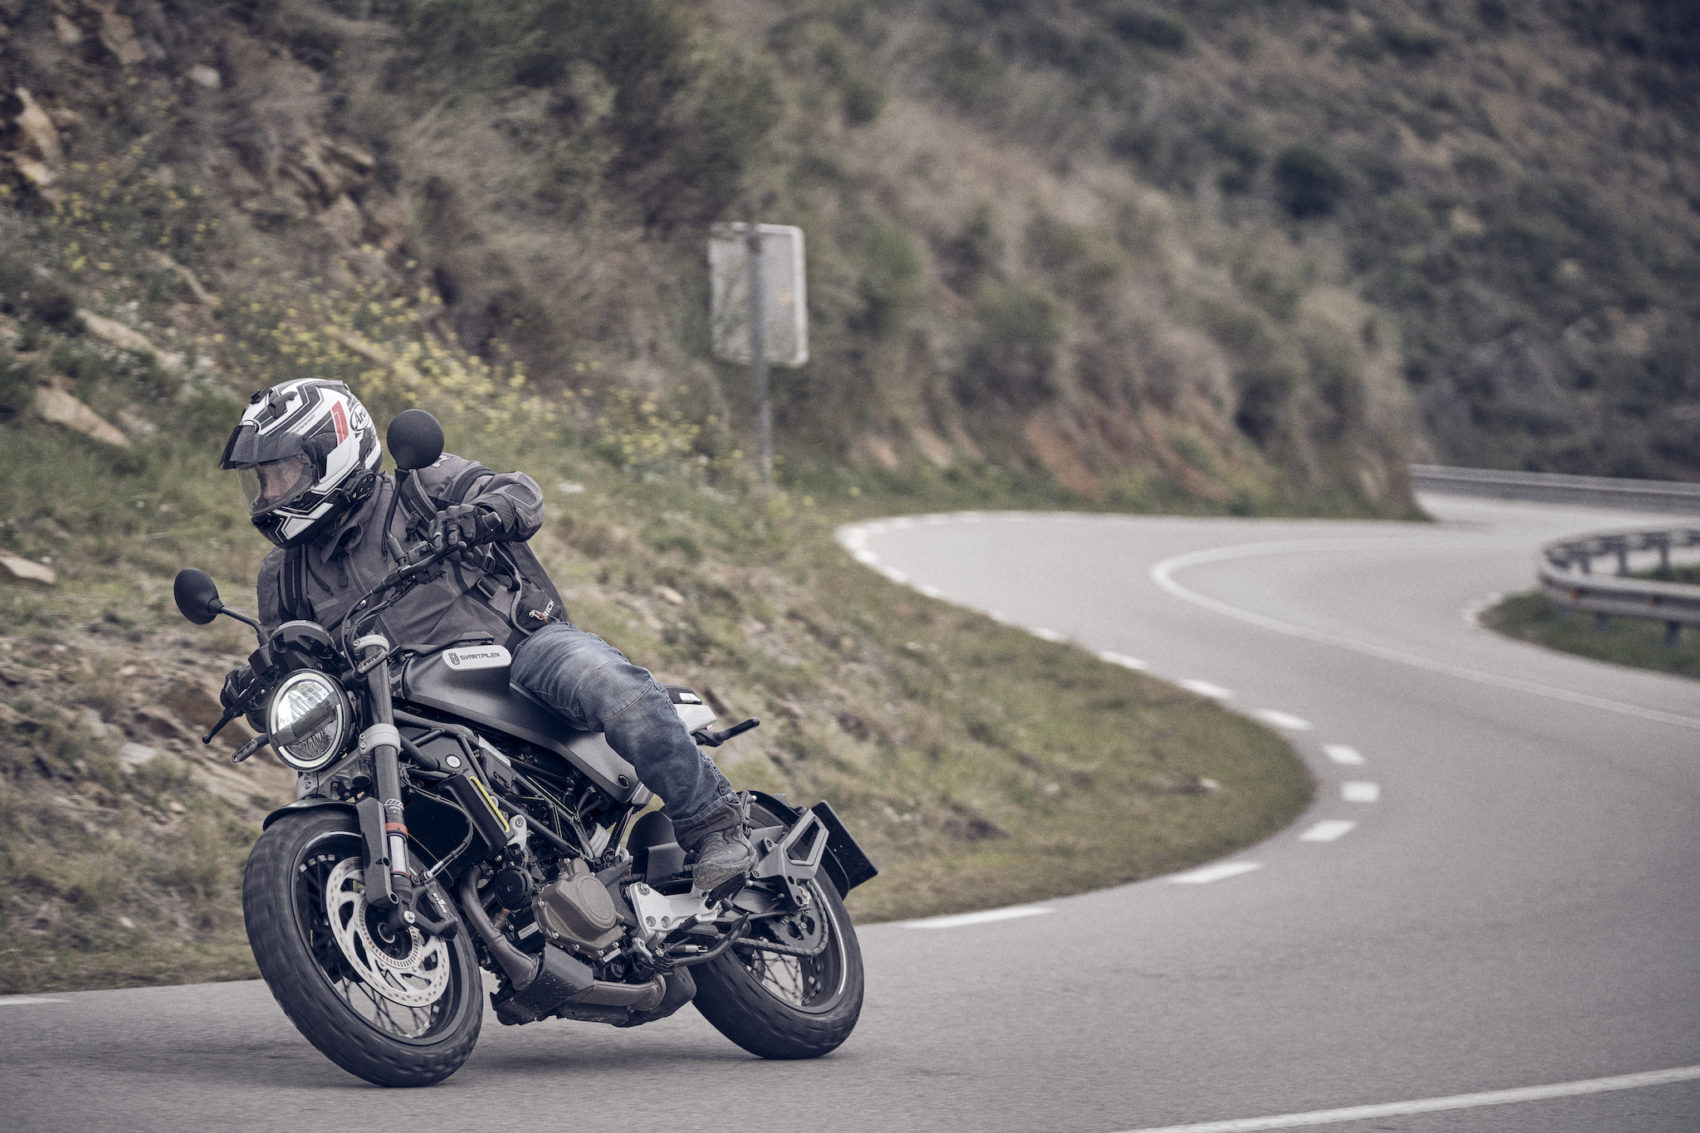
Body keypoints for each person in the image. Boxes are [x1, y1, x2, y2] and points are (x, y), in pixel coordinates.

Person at [217, 378, 756, 890]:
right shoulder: (282, 574)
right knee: (331, 779)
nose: (270, 492)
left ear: (332, 454)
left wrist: (483, 515)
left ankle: (712, 822)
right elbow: (293, 659)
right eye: (263, 478)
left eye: (282, 472)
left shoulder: (420, 487)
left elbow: (520, 493)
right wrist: (260, 685)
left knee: (601, 678)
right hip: (398, 706)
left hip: (514, 653)